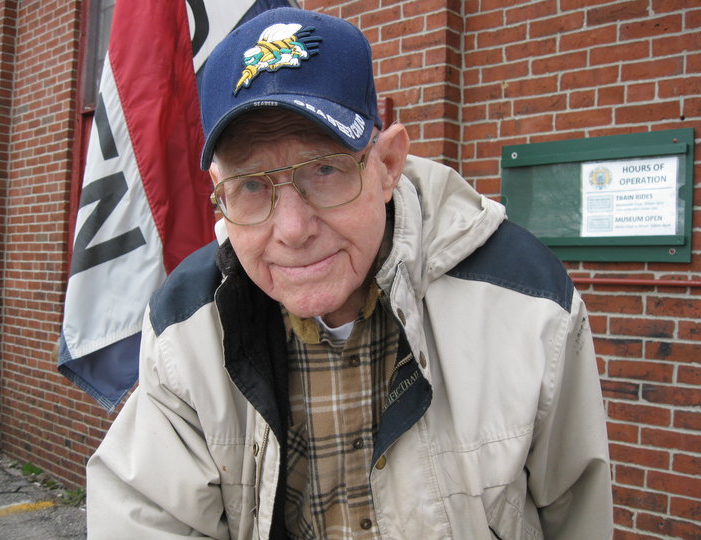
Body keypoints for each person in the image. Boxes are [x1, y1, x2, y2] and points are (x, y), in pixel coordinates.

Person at [87, 7, 613, 539]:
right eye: (250, 186)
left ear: (387, 165)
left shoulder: (527, 305)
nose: (292, 229)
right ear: (219, 195)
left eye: (324, 169)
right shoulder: (186, 327)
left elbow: (576, 518)